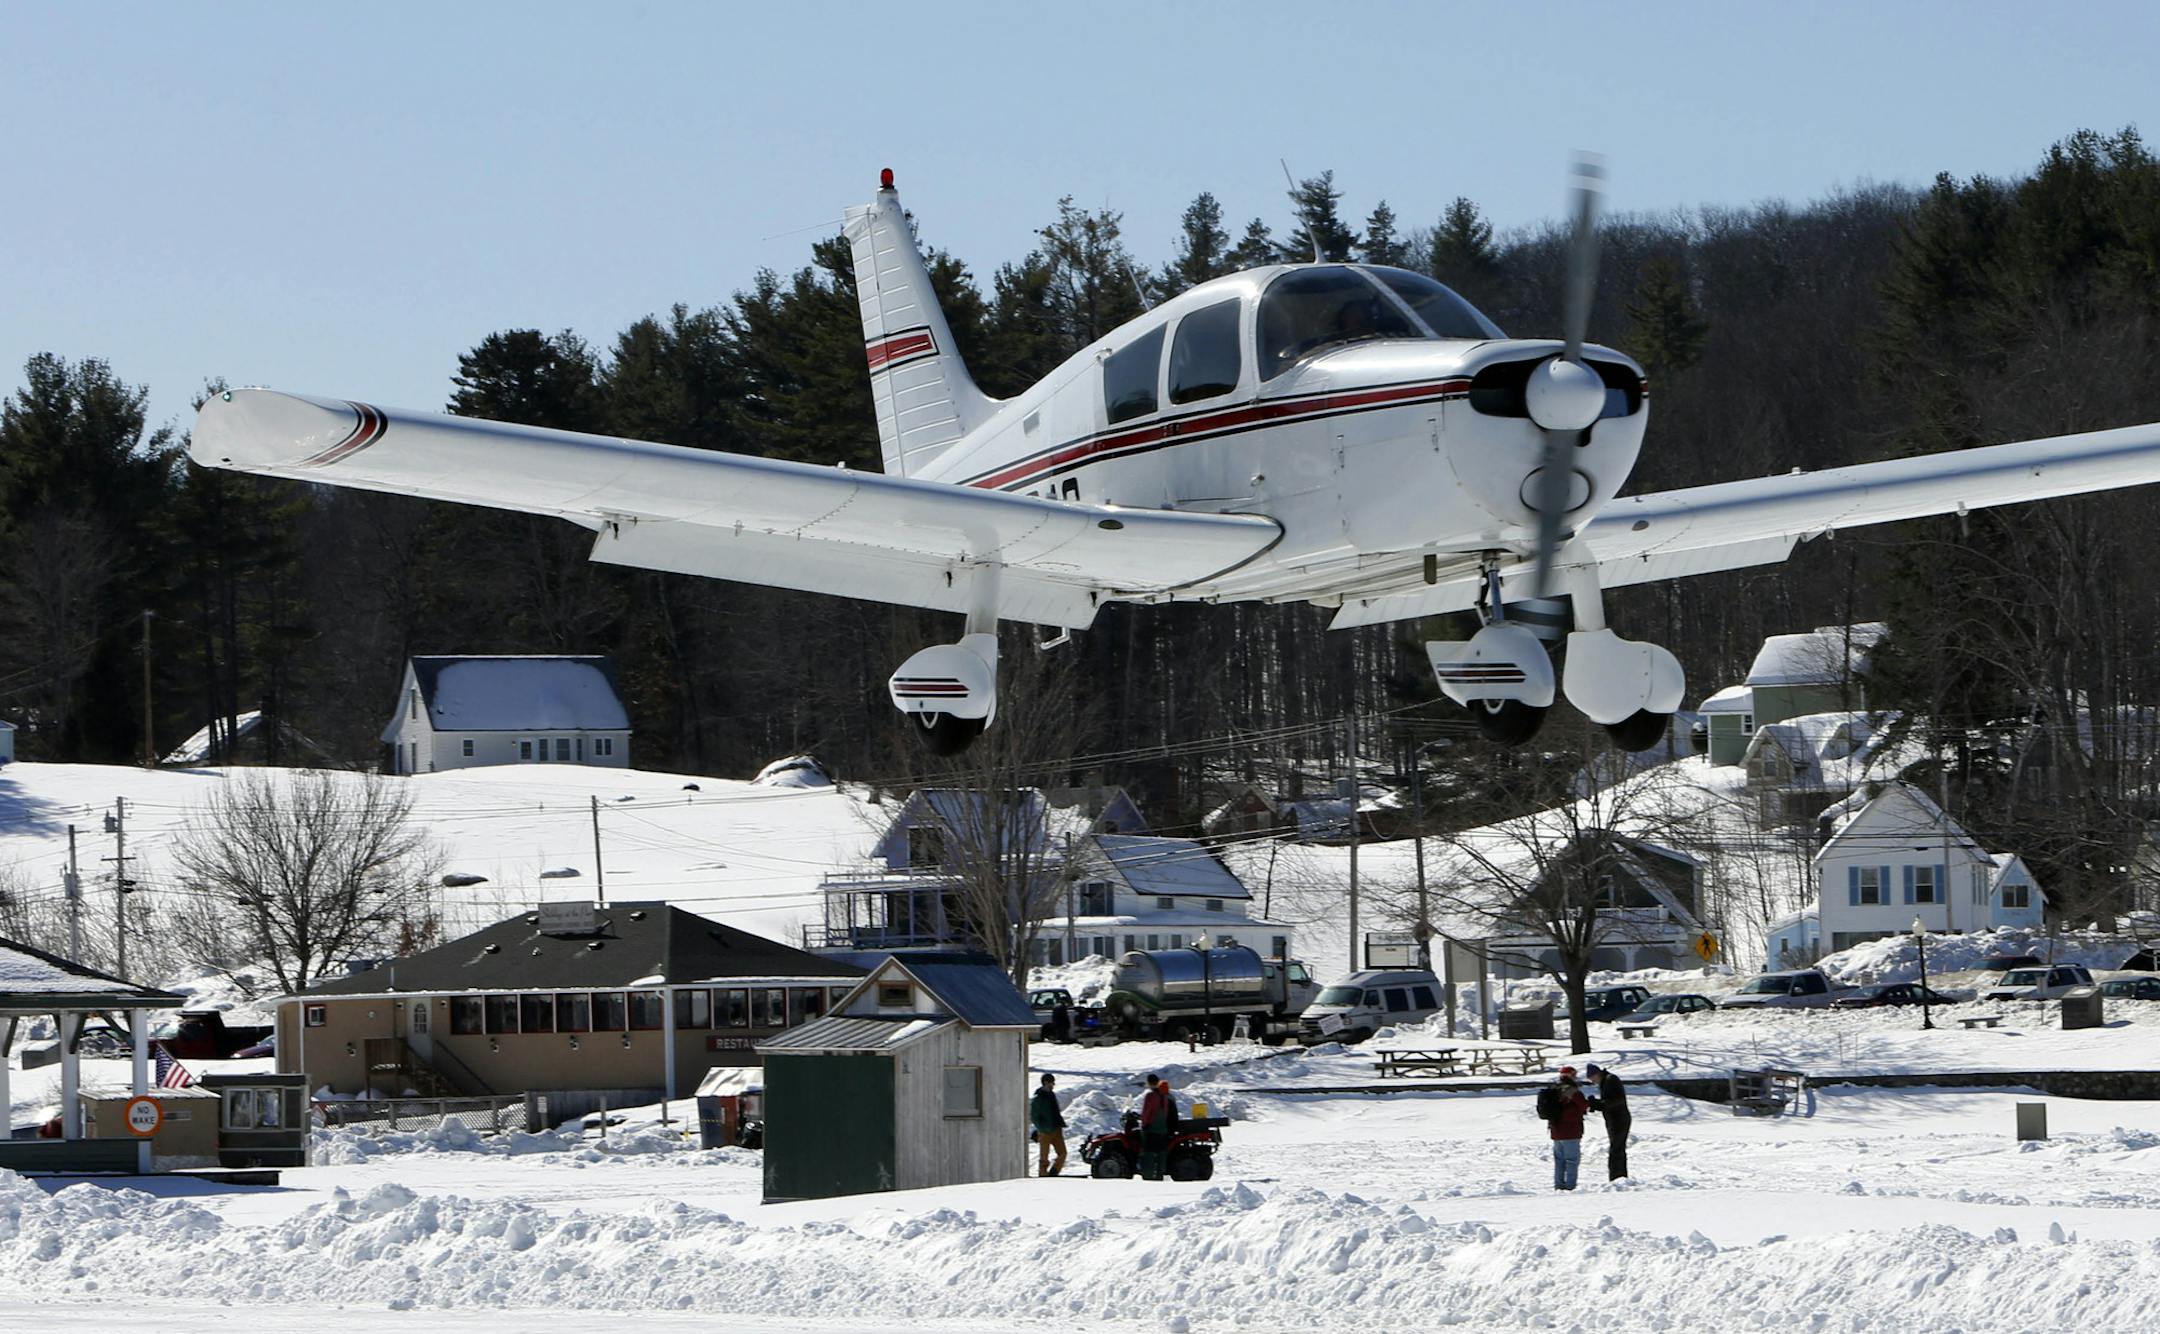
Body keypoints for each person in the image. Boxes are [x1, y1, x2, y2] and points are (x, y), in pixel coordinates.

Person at [1547, 1066, 1589, 1191]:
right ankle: (1570, 1186)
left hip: (1556, 1129)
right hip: (1571, 1130)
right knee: (1572, 1160)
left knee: (1559, 1160)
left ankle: (1558, 1185)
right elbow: (1583, 1105)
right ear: (1570, 1075)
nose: (1576, 1077)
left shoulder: (1553, 1088)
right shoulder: (1572, 1090)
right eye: (1574, 1075)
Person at [1585, 1064, 1630, 1180]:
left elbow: (1615, 1100)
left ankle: (1616, 1176)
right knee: (1617, 1148)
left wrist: (1599, 1104)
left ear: (1596, 1074)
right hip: (1614, 1118)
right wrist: (1597, 1103)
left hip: (1618, 1119)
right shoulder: (1606, 1081)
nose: (1592, 1081)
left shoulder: (1610, 1080)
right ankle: (1620, 1176)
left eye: (1592, 1078)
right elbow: (1609, 1101)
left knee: (1616, 1149)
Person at [1138, 1073, 1176, 1181]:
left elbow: (1147, 1112)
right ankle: (1159, 1176)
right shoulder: (1164, 1096)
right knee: (1161, 1153)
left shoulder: (1150, 1096)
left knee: (1149, 1153)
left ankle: (1148, 1176)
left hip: (1151, 1129)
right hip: (1162, 1129)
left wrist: (1144, 1125)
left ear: (1149, 1083)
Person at [1030, 1072, 1067, 1176]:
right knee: (1044, 1158)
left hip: (1056, 1129)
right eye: (1050, 1083)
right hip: (1045, 1131)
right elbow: (1034, 1117)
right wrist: (1042, 1128)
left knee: (1063, 1153)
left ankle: (1053, 1172)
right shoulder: (1038, 1099)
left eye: (1053, 1083)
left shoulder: (1052, 1095)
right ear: (1045, 1083)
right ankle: (1043, 1174)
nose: (1052, 1085)